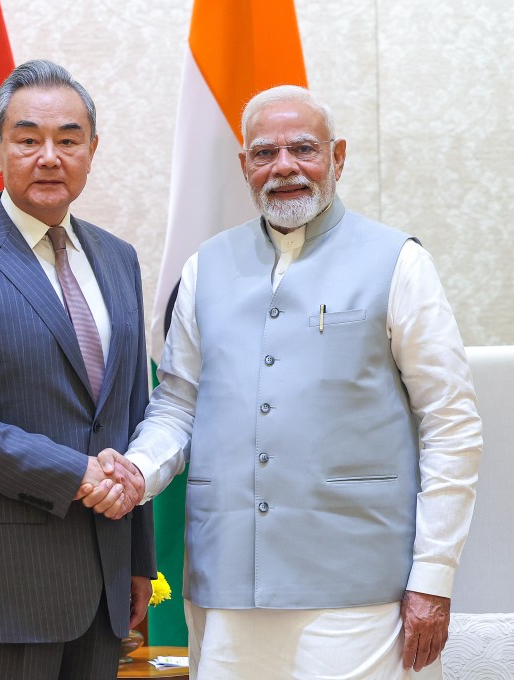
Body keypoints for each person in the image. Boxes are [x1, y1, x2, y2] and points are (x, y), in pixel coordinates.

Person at [122, 85, 483, 679]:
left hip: (362, 591)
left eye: (304, 149)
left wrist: (433, 576)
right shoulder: (204, 267)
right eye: (265, 153)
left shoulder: (399, 262)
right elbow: (177, 406)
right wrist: (137, 471)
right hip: (226, 584)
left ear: (337, 158)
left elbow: (451, 422)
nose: (284, 167)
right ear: (244, 167)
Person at [0, 59, 154, 680]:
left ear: (92, 151)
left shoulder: (118, 259)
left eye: (68, 140)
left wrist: (139, 560)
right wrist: (76, 474)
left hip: (104, 580)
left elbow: (131, 413)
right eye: (28, 139)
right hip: (3, 583)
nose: (49, 156)